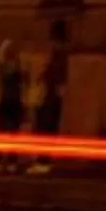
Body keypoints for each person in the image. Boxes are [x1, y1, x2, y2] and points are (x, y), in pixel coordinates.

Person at [31, 25, 70, 173]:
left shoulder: (59, 56)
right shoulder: (60, 55)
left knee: (45, 129)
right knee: (47, 129)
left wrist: (44, 77)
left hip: (51, 98)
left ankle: (43, 161)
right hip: (52, 97)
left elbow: (55, 77)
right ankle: (44, 161)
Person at [0, 41, 27, 172]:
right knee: (8, 134)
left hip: (10, 102)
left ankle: (4, 161)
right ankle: (6, 161)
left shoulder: (14, 70)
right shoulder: (13, 70)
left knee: (8, 134)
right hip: (9, 102)